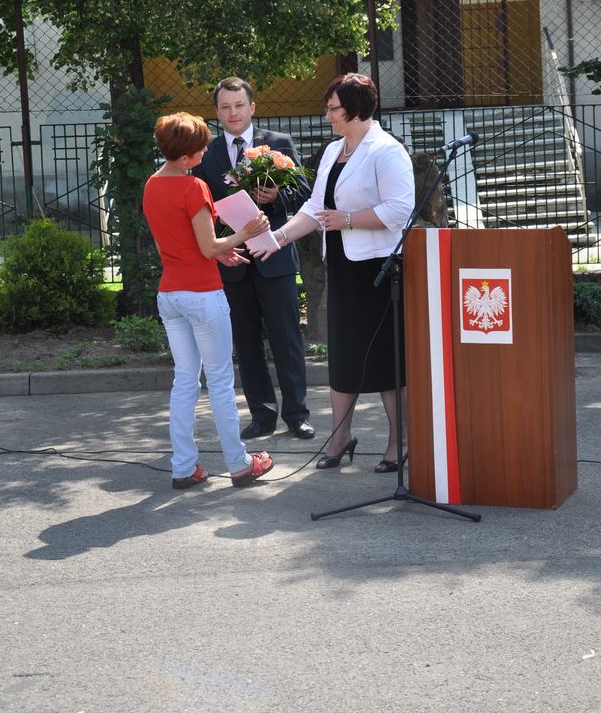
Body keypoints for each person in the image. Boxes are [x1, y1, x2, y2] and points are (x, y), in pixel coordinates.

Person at [254, 73, 415, 472]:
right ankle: (340, 437)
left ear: (356, 109)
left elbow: (400, 209)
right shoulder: (332, 151)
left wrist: (348, 219)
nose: (327, 116)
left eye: (333, 110)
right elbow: (315, 208)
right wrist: (277, 239)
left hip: (378, 269)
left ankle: (400, 442)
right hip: (342, 266)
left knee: (384, 358)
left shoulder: (386, 150)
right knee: (343, 356)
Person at [142, 111, 274, 489]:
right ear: (185, 156)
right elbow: (208, 246)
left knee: (185, 380)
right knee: (219, 380)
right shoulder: (193, 186)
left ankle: (183, 467)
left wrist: (218, 251)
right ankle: (239, 464)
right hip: (202, 294)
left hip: (170, 293)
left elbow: (171, 245)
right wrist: (245, 232)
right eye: (200, 148)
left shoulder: (151, 185)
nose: (204, 151)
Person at [194, 77, 315, 441]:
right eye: (225, 107)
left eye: (239, 105)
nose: (233, 113)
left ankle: (297, 415)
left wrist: (277, 197)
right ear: (217, 112)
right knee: (246, 343)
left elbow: (305, 195)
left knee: (286, 340)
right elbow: (201, 207)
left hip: (275, 256)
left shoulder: (278, 143)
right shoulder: (207, 153)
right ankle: (262, 415)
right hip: (233, 261)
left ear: (252, 107)